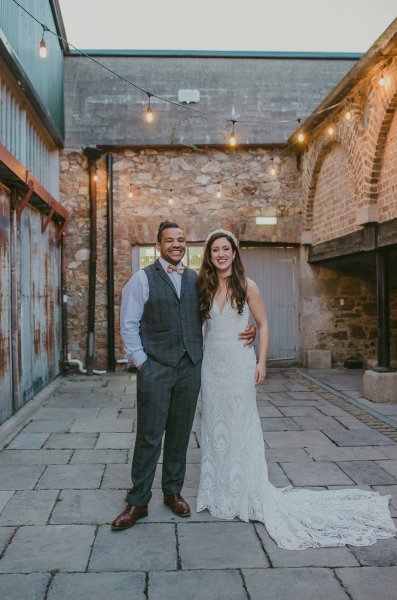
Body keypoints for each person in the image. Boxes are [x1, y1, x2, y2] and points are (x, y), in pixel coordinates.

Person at [196, 229, 396, 550]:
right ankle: (219, 490)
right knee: (214, 427)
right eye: (215, 250)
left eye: (226, 249)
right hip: (211, 369)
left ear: (234, 253)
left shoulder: (248, 286)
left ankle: (246, 491)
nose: (220, 254)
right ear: (210, 255)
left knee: (241, 426)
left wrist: (261, 362)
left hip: (238, 367)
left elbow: (262, 325)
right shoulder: (203, 286)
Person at [112, 221, 255, 531]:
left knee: (179, 434)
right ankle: (138, 501)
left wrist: (250, 326)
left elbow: (223, 311)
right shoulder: (142, 279)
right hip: (155, 368)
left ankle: (172, 492)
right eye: (169, 240)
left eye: (180, 240)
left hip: (190, 368)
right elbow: (129, 324)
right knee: (150, 435)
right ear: (158, 245)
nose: (176, 244)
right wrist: (141, 363)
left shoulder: (197, 279)